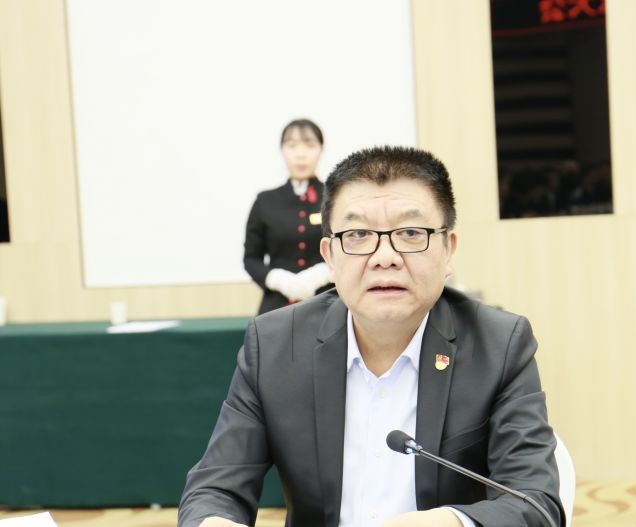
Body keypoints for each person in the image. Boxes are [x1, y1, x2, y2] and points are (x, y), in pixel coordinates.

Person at [180, 146, 564, 527]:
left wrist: (450, 523)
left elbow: (536, 503)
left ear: (448, 250)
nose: (385, 257)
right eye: (359, 234)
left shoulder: (499, 346)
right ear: (329, 257)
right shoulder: (275, 345)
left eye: (411, 233)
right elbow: (214, 488)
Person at [243, 119, 332, 314]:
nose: (300, 154)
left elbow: (349, 247)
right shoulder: (265, 200)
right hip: (276, 306)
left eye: (309, 145)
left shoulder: (334, 197)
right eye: (292, 145)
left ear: (321, 149)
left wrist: (323, 274)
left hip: (328, 302)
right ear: (282, 150)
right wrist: (277, 279)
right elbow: (251, 258)